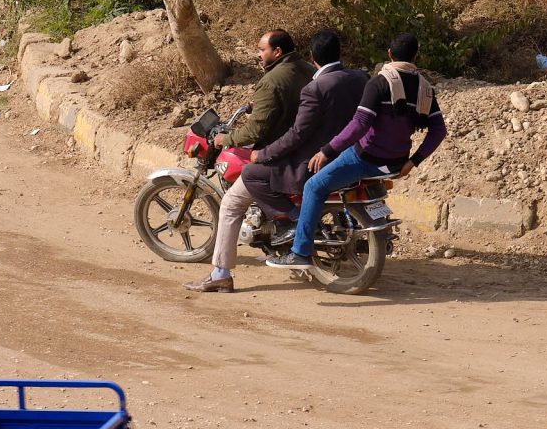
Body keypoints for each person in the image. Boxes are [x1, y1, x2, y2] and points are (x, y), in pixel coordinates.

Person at [268, 33, 448, 269]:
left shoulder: (379, 83)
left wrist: (327, 151)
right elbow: (438, 130)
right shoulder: (424, 89)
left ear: (390, 54)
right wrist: (414, 161)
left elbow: (359, 124)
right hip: (397, 161)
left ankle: (300, 252)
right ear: (416, 55)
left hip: (366, 158)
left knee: (313, 186)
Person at [184, 29, 314, 293]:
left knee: (231, 204)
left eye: (262, 49)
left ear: (277, 52)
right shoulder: (306, 69)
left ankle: (221, 272)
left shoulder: (271, 80)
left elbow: (256, 131)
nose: (258, 53)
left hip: (278, 154)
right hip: (305, 149)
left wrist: (227, 139)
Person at [240, 30, 368, 245]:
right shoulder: (360, 78)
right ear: (340, 53)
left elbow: (297, 134)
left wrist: (263, 154)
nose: (259, 54)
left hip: (316, 159)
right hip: (352, 154)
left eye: (262, 50)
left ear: (312, 56)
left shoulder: (315, 87)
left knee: (252, 173)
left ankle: (292, 219)